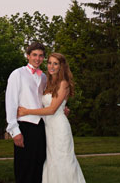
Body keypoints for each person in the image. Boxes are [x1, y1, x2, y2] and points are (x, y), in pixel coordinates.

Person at [18, 52, 86, 183]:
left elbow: (52, 109)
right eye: (49, 63)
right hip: (48, 128)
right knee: (52, 161)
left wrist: (27, 111)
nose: (51, 66)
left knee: (63, 160)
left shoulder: (63, 83)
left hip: (59, 128)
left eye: (55, 64)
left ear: (61, 66)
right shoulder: (48, 82)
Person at [5, 42, 47, 183]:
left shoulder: (44, 77)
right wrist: (14, 130)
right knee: (24, 169)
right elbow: (11, 102)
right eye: (34, 55)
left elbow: (46, 102)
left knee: (39, 167)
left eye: (41, 56)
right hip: (24, 127)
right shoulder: (17, 74)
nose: (37, 58)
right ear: (28, 56)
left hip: (41, 127)